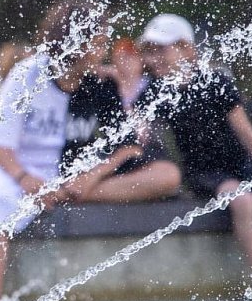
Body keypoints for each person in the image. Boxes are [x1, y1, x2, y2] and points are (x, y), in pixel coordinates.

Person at [136, 13, 252, 301]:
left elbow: (247, 133)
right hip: (206, 172)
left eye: (162, 49)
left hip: (241, 164)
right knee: (241, 200)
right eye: (150, 51)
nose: (155, 58)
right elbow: (141, 127)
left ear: (187, 49)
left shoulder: (216, 81)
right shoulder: (156, 91)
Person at [0, 0, 107, 301]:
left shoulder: (95, 81)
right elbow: (0, 146)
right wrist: (26, 179)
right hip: (19, 168)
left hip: (70, 171)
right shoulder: (26, 76)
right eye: (97, 42)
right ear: (76, 41)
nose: (103, 49)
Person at [60, 40, 181, 204]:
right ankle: (70, 193)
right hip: (52, 173)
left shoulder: (104, 85)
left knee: (167, 174)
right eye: (99, 46)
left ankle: (71, 195)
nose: (102, 54)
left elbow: (130, 146)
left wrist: (93, 175)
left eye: (130, 57)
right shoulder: (43, 84)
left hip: (100, 171)